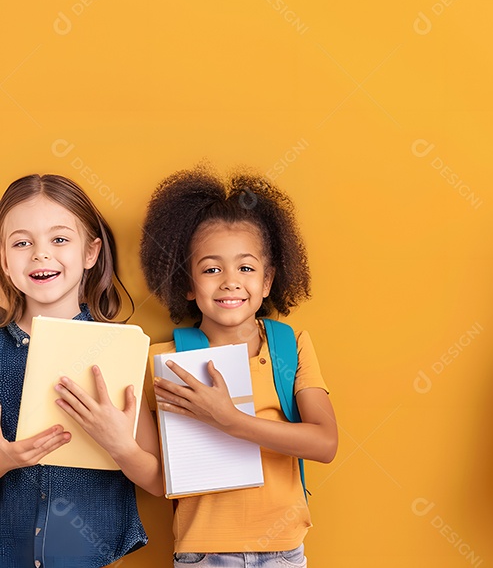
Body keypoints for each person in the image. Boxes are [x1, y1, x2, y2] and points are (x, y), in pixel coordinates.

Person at [140, 168, 337, 567]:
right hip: (202, 554)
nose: (230, 281)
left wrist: (230, 421)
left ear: (268, 281)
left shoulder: (291, 347)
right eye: (212, 269)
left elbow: (325, 444)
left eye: (245, 268)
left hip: (284, 551)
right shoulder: (164, 363)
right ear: (189, 285)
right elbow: (159, 477)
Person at [0, 173, 162, 567]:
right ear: (3, 259)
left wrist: (120, 445)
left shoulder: (120, 350)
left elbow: (159, 480)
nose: (40, 254)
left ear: (90, 253)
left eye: (59, 239)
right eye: (22, 243)